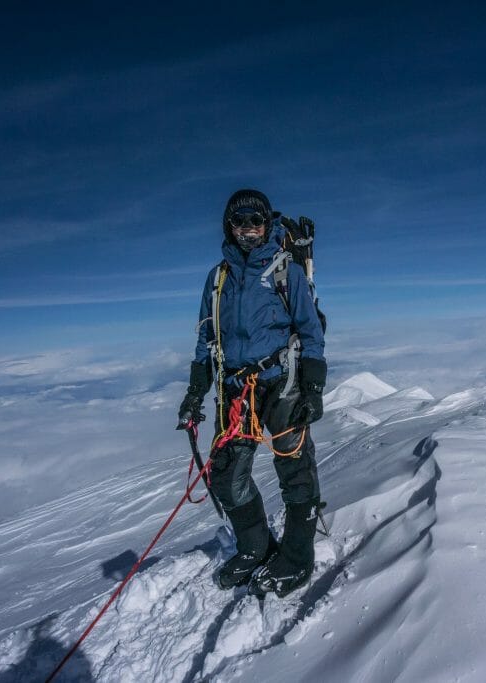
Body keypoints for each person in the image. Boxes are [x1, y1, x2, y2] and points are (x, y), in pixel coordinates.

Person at [178, 188, 327, 597]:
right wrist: (195, 392)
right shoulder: (218, 277)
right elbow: (207, 339)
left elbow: (311, 333)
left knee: (295, 470)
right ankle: (255, 547)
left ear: (266, 224)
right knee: (228, 475)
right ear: (229, 225)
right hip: (232, 389)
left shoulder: (286, 271)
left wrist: (312, 389)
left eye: (255, 221)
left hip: (281, 382)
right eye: (239, 222)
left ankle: (297, 558)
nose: (247, 229)